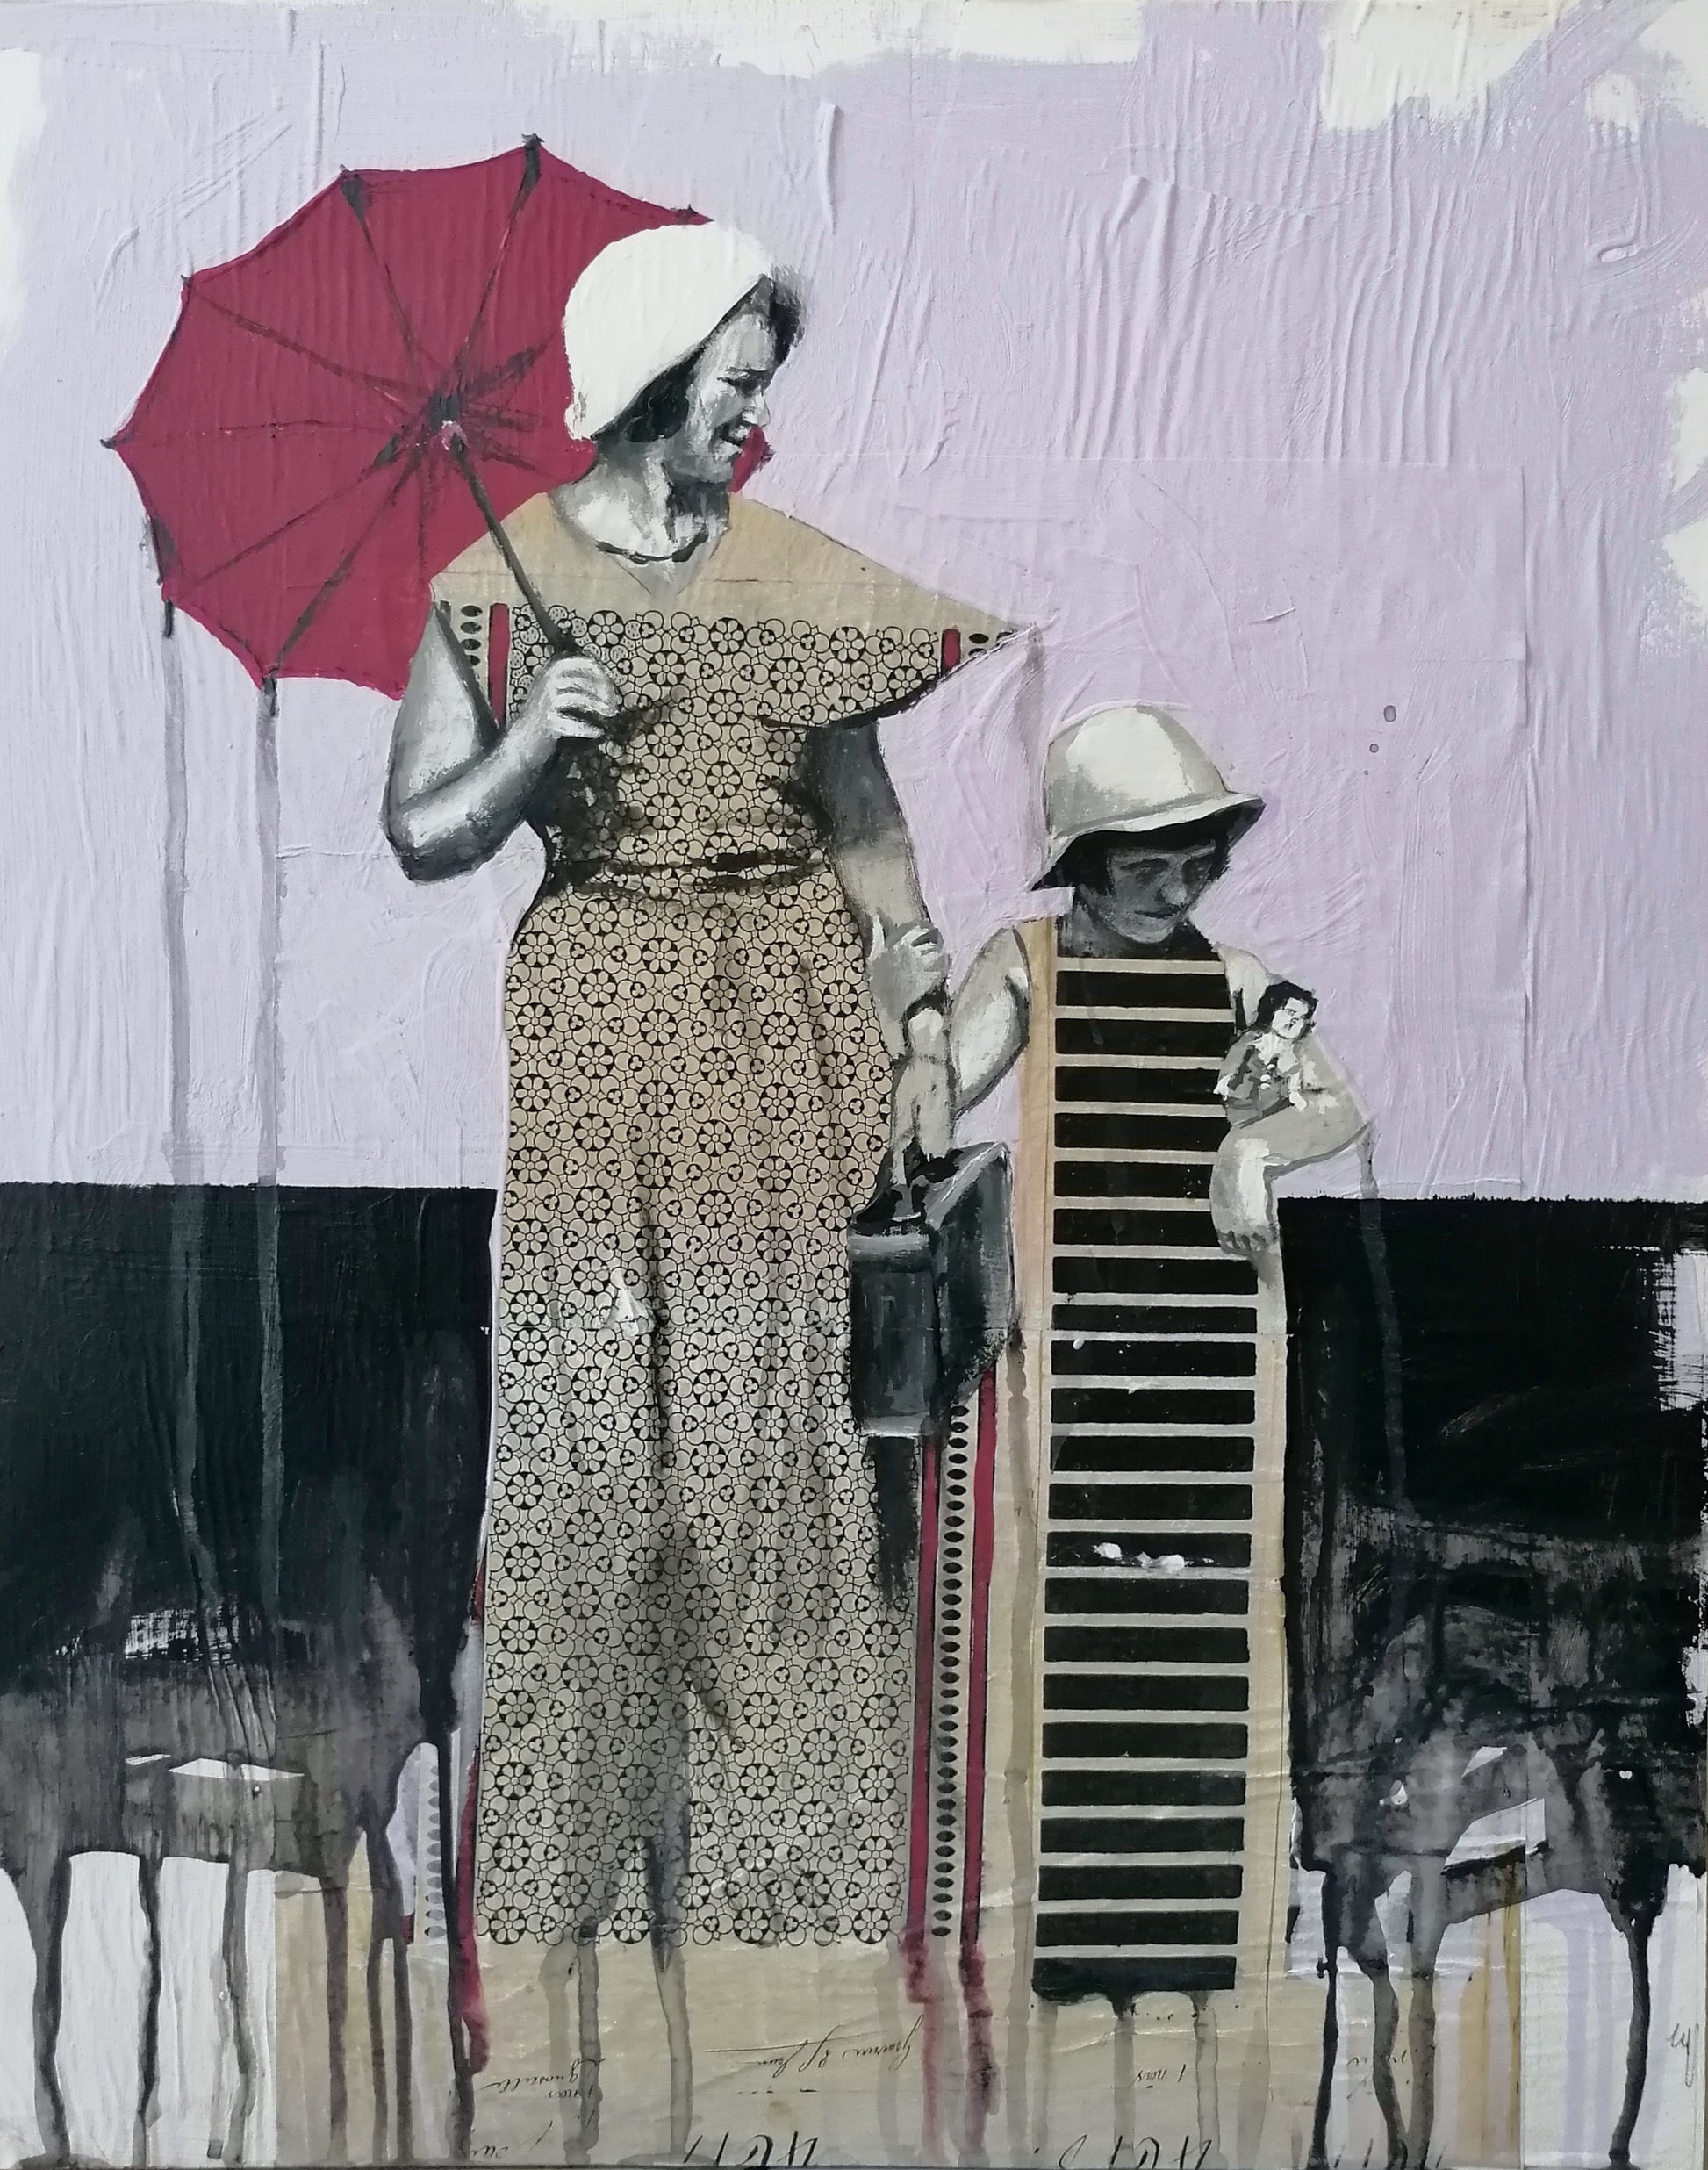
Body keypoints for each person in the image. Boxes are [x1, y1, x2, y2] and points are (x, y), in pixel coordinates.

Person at [384, 217, 1009, 2052]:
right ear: (654, 383)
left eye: (759, 388)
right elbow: (418, 828)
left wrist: (919, 1015)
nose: (755, 418)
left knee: (780, 1441)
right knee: (594, 1441)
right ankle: (577, 1901)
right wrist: (528, 740)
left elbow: (866, 825)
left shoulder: (786, 575)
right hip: (600, 1032)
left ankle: (787, 1925)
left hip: (786, 1026)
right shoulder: (496, 582)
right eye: (735, 387)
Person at [1216, 979, 1318, 1127]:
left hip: (1274, 1112)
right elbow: (1230, 1070)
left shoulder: (1290, 1052)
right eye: (1290, 1012)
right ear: (1272, 1009)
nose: (1293, 1021)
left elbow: (1293, 1080)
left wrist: (1294, 1094)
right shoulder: (1251, 1040)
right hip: (1243, 1110)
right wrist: (1228, 1082)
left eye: (1301, 1018)